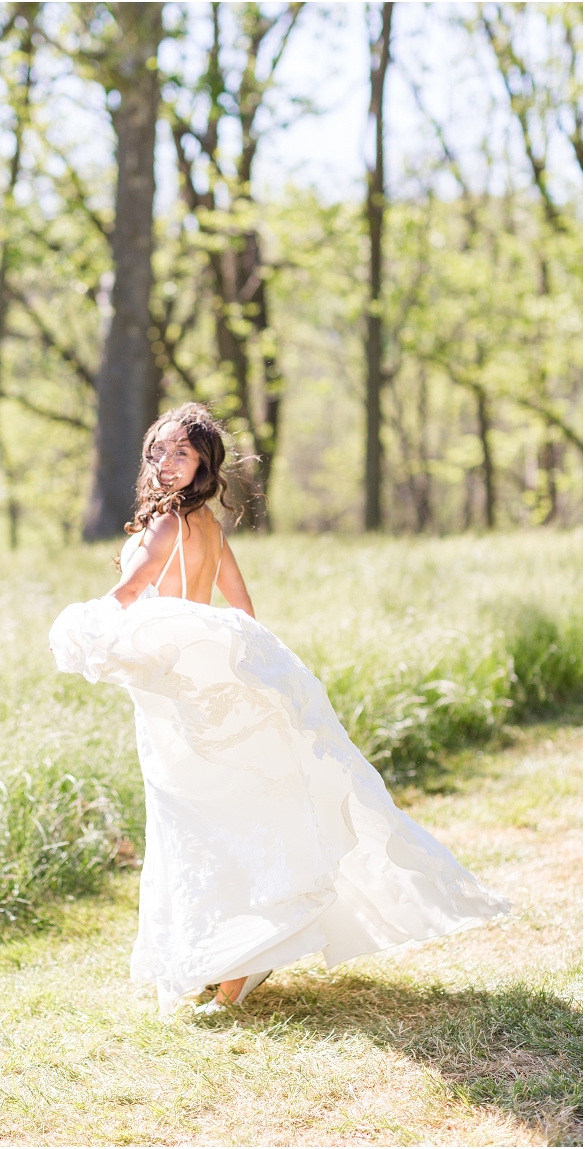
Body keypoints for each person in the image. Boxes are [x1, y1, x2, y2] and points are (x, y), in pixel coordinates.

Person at [50, 403, 509, 1016]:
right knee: (223, 810)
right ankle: (231, 953)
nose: (165, 463)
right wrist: (237, 678)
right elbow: (240, 609)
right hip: (203, 688)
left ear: (204, 464)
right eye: (157, 451)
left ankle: (235, 962)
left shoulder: (166, 526)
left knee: (197, 817)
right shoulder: (207, 524)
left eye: (180, 453)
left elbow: (131, 595)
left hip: (183, 694)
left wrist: (84, 628)